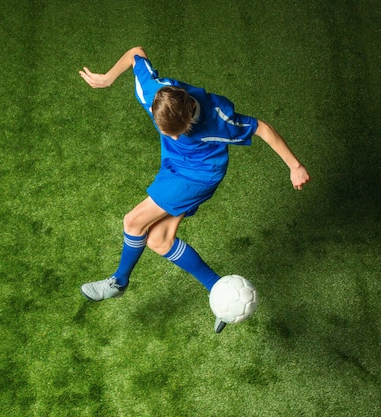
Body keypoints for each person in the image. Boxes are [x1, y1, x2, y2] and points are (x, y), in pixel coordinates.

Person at [78, 47, 310, 333]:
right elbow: (136, 53)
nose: (172, 135)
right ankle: (217, 290)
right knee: (159, 240)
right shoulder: (154, 93)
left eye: (178, 132)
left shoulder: (217, 119)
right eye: (167, 132)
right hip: (173, 165)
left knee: (133, 221)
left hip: (199, 174)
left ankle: (118, 282)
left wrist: (294, 166)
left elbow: (262, 128)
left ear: (190, 116)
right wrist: (108, 78)